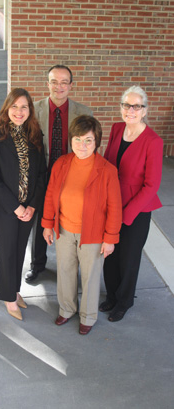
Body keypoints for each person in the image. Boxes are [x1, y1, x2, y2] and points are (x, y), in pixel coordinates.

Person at [42, 115, 122, 335]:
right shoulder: (62, 163)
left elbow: (115, 207)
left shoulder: (107, 170)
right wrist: (48, 224)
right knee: (65, 271)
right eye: (77, 139)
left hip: (93, 235)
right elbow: (50, 195)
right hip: (64, 231)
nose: (82, 145)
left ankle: (88, 315)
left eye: (88, 140)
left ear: (96, 141)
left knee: (90, 276)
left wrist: (110, 238)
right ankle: (67, 309)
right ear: (71, 141)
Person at [99, 86, 163, 322]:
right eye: (126, 105)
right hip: (112, 204)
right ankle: (112, 295)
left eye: (136, 106)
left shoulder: (153, 141)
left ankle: (124, 301)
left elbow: (151, 186)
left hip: (136, 212)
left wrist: (125, 216)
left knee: (128, 257)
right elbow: (106, 164)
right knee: (109, 254)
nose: (131, 110)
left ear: (144, 110)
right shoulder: (117, 129)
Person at [25, 64, 93, 283]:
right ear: (48, 84)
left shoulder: (83, 112)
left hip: (71, 175)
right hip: (42, 175)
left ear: (71, 86)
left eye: (64, 82)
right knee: (39, 220)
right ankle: (37, 264)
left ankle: (73, 266)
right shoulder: (33, 110)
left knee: (71, 220)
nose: (59, 86)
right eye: (54, 81)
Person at [0, 88, 46, 321]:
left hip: (28, 206)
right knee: (8, 249)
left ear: (30, 110)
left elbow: (41, 174)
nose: (19, 112)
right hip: (5, 206)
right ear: (7, 109)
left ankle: (15, 289)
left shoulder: (35, 135)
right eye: (15, 106)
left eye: (24, 107)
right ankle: (8, 297)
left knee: (20, 249)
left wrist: (32, 205)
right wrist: (16, 207)